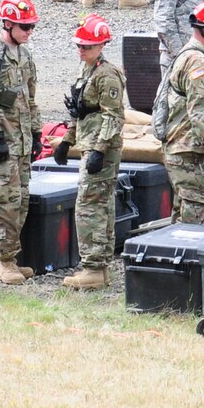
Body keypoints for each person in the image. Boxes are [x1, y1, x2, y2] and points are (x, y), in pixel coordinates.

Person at [62, 15, 129, 290]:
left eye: (87, 46)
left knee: (90, 207)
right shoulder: (87, 70)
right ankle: (98, 267)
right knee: (97, 204)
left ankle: (92, 266)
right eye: (80, 45)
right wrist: (68, 140)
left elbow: (114, 116)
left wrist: (99, 151)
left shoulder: (107, 75)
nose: (82, 50)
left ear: (101, 46)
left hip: (101, 148)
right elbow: (82, 110)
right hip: (90, 143)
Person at [0, 0, 42, 286]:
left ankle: (1, 260)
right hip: (2, 142)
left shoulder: (25, 56)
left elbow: (30, 98)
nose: (29, 32)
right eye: (24, 27)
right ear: (7, 24)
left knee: (21, 200)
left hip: (22, 139)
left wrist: (37, 132)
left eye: (31, 27)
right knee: (3, 201)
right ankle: (3, 260)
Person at [158, 2, 204, 224]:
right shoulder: (197, 61)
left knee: (187, 212)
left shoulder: (195, 56)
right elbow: (201, 109)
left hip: (187, 150)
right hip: (191, 153)